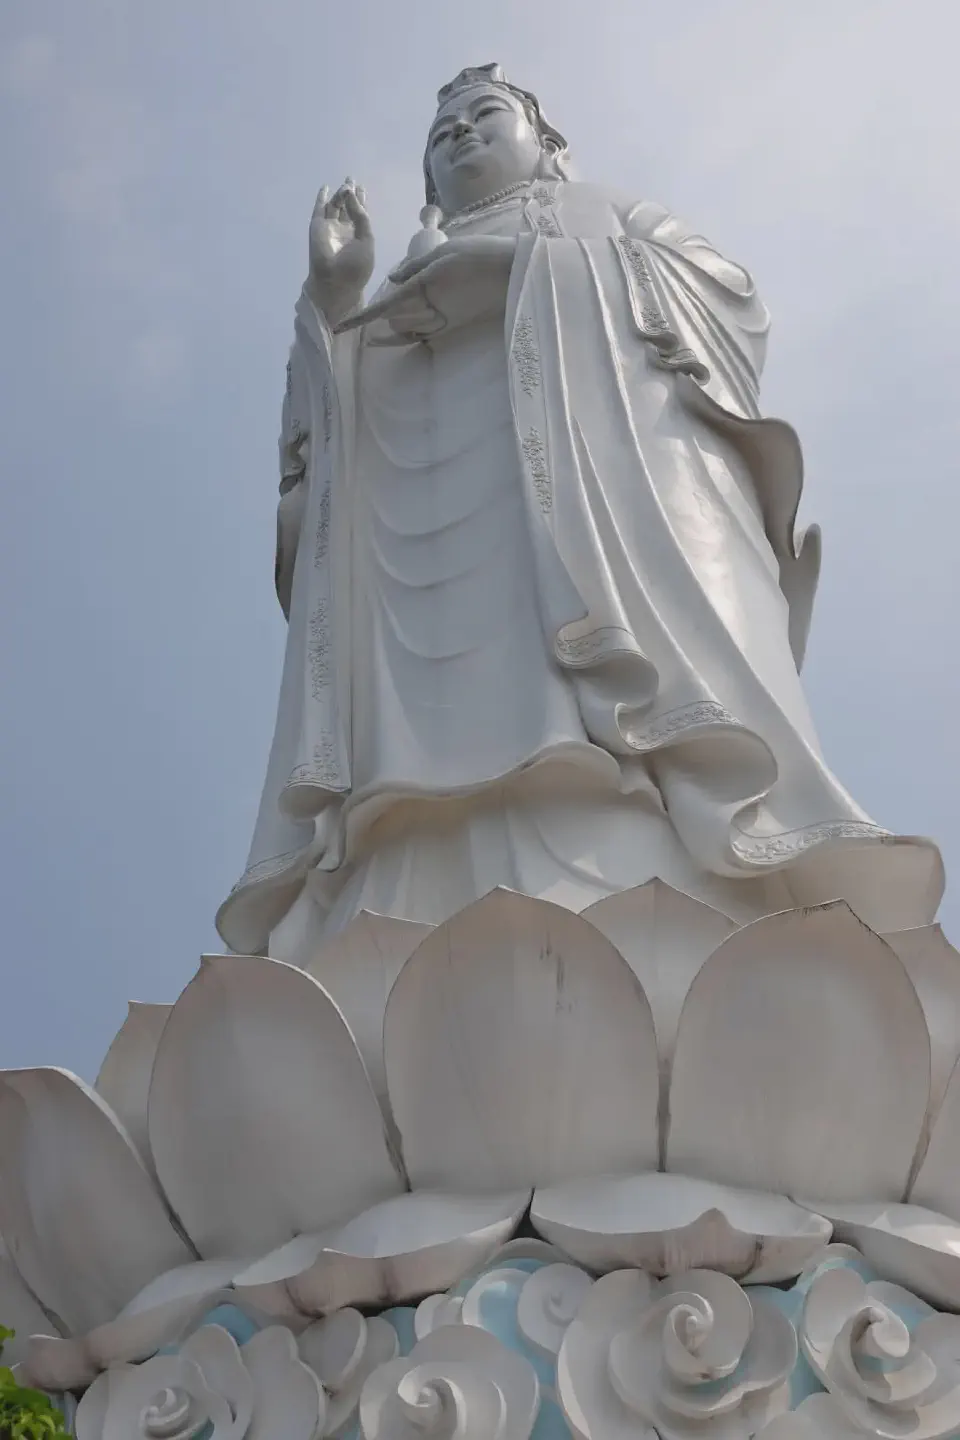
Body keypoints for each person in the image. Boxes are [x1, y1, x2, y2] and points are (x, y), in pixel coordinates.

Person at [216, 64, 941, 962]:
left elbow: (730, 305)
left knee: (615, 756)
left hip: (599, 555)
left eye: (486, 117)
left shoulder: (609, 218)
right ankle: (387, 913)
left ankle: (667, 884)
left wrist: (532, 274)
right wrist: (332, 307)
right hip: (421, 613)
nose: (463, 138)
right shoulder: (397, 285)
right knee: (405, 806)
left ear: (547, 144)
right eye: (442, 137)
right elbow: (315, 476)